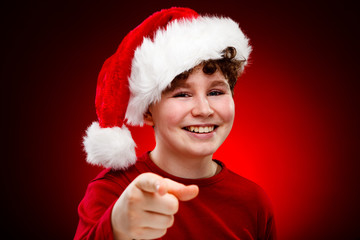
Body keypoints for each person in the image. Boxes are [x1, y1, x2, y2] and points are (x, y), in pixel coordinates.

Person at [74, 7, 276, 240]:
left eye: (216, 91)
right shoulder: (112, 192)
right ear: (148, 111)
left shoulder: (253, 201)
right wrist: (116, 226)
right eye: (182, 95)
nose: (204, 109)